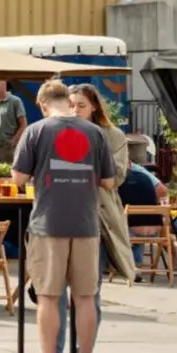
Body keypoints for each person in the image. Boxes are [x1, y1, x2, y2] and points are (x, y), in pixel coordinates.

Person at [11, 79, 117, 353]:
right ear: (68, 101)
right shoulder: (95, 132)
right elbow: (109, 182)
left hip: (48, 224)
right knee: (86, 296)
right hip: (86, 225)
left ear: (43, 105)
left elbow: (18, 179)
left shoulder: (36, 131)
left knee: (47, 296)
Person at [71, 85, 136, 281]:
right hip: (61, 212)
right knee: (58, 278)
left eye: (81, 105)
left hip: (97, 212)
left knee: (90, 281)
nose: (75, 111)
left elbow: (114, 179)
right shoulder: (54, 132)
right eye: (71, 105)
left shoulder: (112, 136)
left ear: (94, 107)